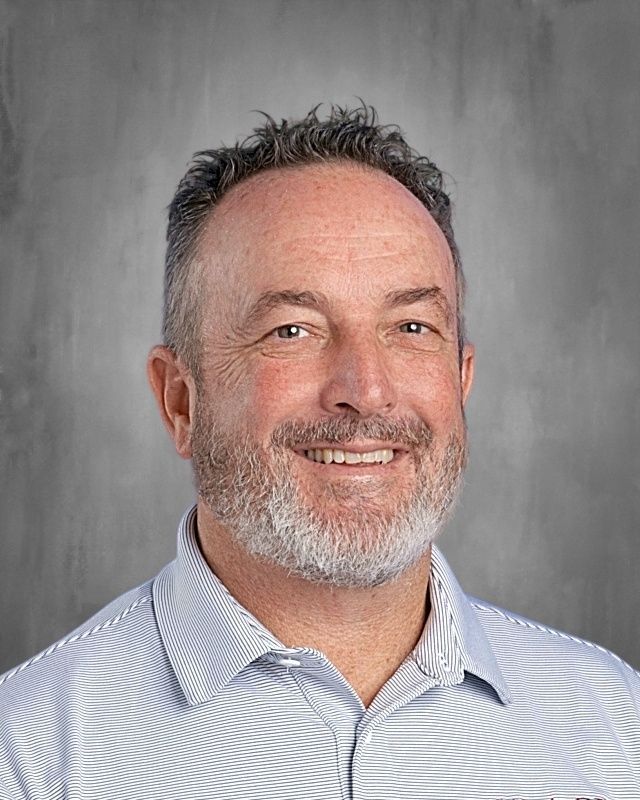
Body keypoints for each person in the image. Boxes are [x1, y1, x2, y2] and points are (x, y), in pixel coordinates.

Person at [1, 104, 638, 799]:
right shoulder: (28, 753)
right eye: (292, 331)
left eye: (412, 326)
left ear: (461, 380)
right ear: (180, 401)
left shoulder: (615, 730)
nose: (365, 392)